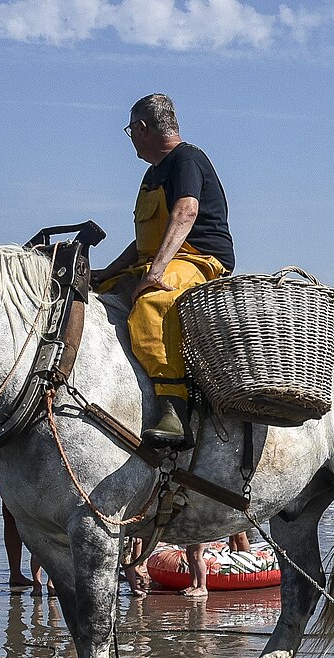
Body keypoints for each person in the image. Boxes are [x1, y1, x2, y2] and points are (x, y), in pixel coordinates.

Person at [92, 93, 235, 446]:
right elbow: (145, 240)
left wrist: (154, 274)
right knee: (96, 298)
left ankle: (174, 411)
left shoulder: (187, 159)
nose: (131, 138)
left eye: (130, 130)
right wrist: (105, 274)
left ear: (141, 128)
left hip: (198, 260)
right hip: (160, 258)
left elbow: (185, 213)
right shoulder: (152, 175)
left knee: (153, 303)